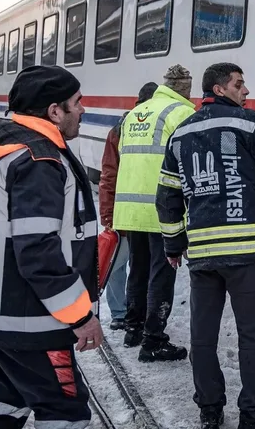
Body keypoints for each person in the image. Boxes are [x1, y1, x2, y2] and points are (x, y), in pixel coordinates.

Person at [0, 65, 101, 428]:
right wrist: (80, 316)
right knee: (65, 410)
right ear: (54, 111)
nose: (83, 110)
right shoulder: (39, 162)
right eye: (77, 102)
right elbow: (39, 253)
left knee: (7, 399)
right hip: (27, 320)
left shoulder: (1, 143)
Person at [157, 63, 255, 429]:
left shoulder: (180, 134)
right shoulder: (248, 123)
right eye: (240, 84)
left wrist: (174, 245)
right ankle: (253, 416)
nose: (246, 90)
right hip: (246, 254)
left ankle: (210, 410)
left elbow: (167, 197)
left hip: (203, 256)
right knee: (252, 337)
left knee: (202, 337)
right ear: (220, 89)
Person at [113, 65, 195, 362]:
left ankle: (132, 329)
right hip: (161, 208)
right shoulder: (182, 113)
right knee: (162, 275)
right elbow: (188, 163)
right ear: (185, 88)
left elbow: (125, 154)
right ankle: (153, 340)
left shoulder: (136, 113)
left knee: (138, 269)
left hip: (131, 206)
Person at [98, 80, 158, 330]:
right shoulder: (123, 130)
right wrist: (107, 212)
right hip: (141, 213)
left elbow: (108, 173)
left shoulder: (119, 129)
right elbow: (109, 173)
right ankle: (125, 312)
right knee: (128, 263)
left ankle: (125, 312)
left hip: (128, 211)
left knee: (123, 264)